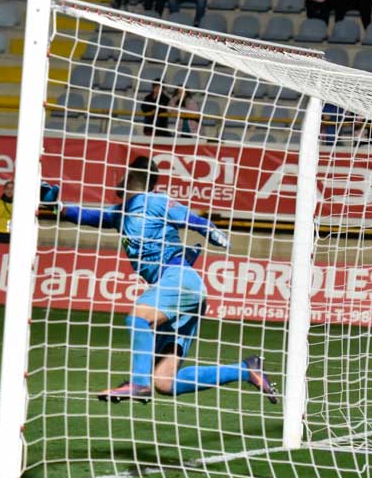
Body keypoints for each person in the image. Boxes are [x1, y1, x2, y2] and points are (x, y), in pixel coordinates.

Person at [43, 157, 278, 405]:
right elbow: (85, 215)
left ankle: (138, 383)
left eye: (122, 175)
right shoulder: (120, 214)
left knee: (138, 317)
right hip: (183, 292)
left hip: (179, 279)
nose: (118, 180)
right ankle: (246, 369)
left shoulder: (156, 201)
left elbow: (192, 220)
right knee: (166, 382)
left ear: (131, 177)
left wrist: (212, 231)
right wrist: (55, 205)